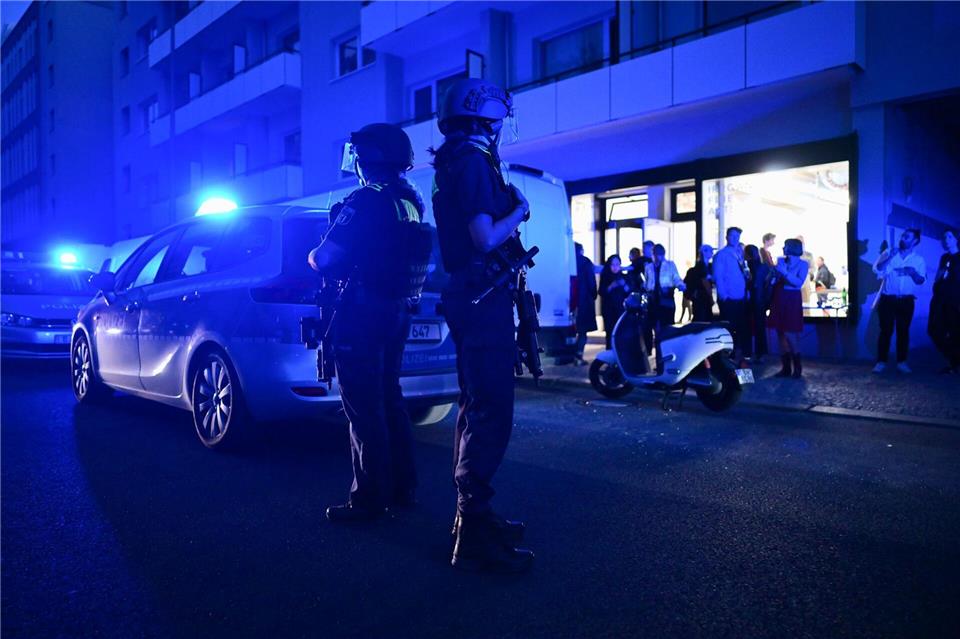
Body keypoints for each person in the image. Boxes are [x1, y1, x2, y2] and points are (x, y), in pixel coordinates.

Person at [431, 77, 534, 573]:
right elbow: (484, 235)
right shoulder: (471, 162)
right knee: (491, 410)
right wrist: (520, 209)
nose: (501, 129)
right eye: (499, 120)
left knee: (477, 407)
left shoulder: (457, 159)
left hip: (473, 296)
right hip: (481, 296)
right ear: (485, 117)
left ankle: (474, 517)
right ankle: (472, 530)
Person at [308, 123, 430, 522]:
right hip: (396, 310)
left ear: (367, 159)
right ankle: (403, 487)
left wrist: (316, 249)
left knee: (362, 407)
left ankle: (369, 500)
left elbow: (324, 259)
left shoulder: (365, 200)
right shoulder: (409, 200)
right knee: (389, 399)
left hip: (361, 313)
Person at [872, 228, 926, 374]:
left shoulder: (918, 260)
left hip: (906, 301)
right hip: (888, 300)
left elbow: (921, 280)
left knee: (903, 332)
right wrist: (890, 257)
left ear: (915, 241)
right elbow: (877, 269)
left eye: (907, 237)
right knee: (885, 331)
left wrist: (913, 272)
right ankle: (881, 362)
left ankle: (902, 362)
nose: (903, 238)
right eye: (903, 236)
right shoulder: (889, 252)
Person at [767, 239, 808, 377]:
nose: (783, 248)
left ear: (792, 248)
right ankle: (785, 367)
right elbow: (774, 280)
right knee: (780, 333)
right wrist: (774, 274)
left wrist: (784, 272)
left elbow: (798, 283)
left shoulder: (803, 264)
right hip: (779, 297)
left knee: (791, 333)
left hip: (791, 298)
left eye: (785, 246)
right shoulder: (782, 261)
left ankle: (797, 367)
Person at [712, 227, 752, 361]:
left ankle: (738, 357)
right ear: (727, 237)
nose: (735, 239)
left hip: (740, 297)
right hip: (729, 298)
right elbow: (718, 276)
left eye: (737, 236)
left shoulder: (738, 254)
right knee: (730, 328)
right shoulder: (721, 254)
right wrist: (724, 296)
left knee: (739, 328)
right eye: (733, 236)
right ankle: (729, 357)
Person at [928, 228, 959, 374]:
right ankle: (954, 358)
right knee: (934, 330)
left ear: (956, 239)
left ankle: (954, 365)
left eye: (950, 237)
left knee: (955, 332)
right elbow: (939, 276)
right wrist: (935, 286)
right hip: (940, 299)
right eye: (944, 237)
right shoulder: (944, 257)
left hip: (955, 301)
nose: (946, 239)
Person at [644, 244, 685, 344]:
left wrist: (680, 285)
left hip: (666, 298)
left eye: (659, 254)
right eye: (655, 254)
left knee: (667, 325)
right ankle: (658, 346)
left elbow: (676, 278)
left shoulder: (670, 265)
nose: (657, 256)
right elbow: (647, 281)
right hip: (653, 299)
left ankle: (665, 345)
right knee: (654, 325)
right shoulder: (649, 267)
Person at [745, 244, 772, 363]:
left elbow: (754, 284)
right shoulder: (763, 266)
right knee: (759, 327)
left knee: (753, 328)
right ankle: (760, 353)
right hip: (760, 300)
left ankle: (754, 354)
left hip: (754, 300)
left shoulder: (752, 266)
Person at [599, 255, 630, 350]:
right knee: (610, 331)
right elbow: (601, 292)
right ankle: (610, 352)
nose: (615, 267)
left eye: (617, 264)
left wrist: (624, 285)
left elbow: (628, 291)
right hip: (608, 309)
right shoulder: (605, 276)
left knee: (620, 331)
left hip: (620, 309)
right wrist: (611, 286)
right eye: (613, 264)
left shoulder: (623, 276)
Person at [574, 242, 598, 365]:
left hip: (572, 302)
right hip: (584, 302)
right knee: (583, 332)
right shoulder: (586, 262)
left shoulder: (569, 261)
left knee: (575, 330)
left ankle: (574, 355)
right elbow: (591, 282)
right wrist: (594, 294)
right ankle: (578, 356)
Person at [683, 244, 715, 322]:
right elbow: (705, 282)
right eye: (710, 251)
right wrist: (711, 297)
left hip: (701, 298)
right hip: (702, 298)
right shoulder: (702, 267)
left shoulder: (708, 266)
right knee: (702, 319)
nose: (712, 253)